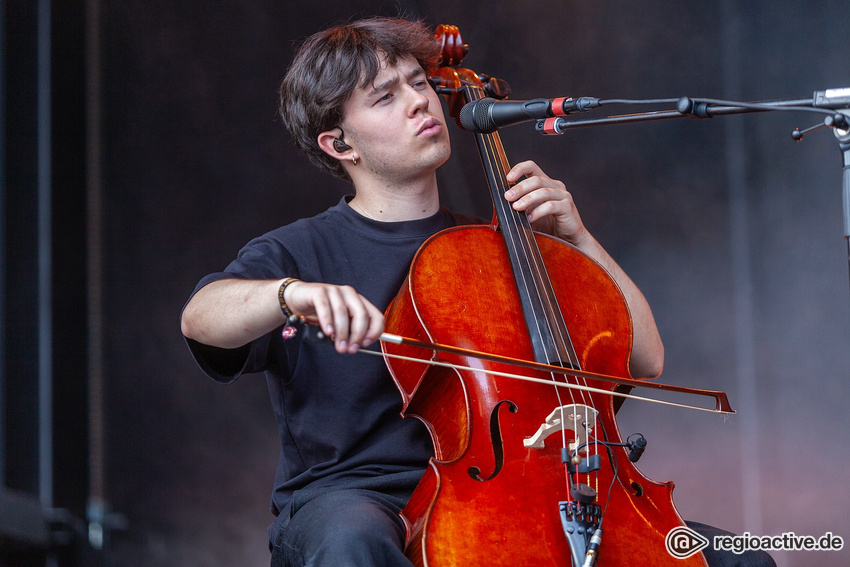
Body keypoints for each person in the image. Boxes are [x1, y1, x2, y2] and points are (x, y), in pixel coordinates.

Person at [181, 16, 774, 567]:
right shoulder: (298, 252)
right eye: (387, 97)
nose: (420, 101)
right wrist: (291, 295)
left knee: (741, 557)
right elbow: (201, 317)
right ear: (340, 145)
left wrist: (579, 236)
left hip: (526, 486)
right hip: (361, 499)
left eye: (419, 82)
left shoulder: (497, 248)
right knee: (353, 539)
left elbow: (644, 359)